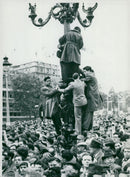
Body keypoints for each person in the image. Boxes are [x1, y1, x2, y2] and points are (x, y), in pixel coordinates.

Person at [82, 66, 100, 132]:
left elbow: (82, 80)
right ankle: (89, 127)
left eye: (85, 71)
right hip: (93, 97)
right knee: (90, 112)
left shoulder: (90, 76)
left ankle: (85, 128)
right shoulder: (93, 76)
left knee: (88, 112)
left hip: (91, 97)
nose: (84, 73)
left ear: (89, 71)